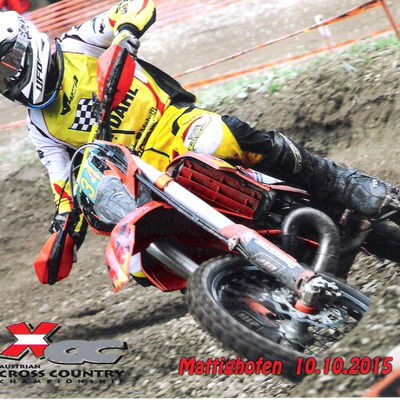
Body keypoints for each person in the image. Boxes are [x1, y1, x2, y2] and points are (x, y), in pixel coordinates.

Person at [0, 0, 399, 284]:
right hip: (141, 177)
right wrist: (64, 233)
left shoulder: (77, 43)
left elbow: (133, 5)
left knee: (219, 137)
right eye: (0, 76)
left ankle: (342, 183)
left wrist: (124, 36)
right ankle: (248, 295)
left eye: (7, 63)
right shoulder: (40, 127)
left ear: (25, 41)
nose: (9, 77)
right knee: (138, 264)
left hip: (175, 127)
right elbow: (65, 187)